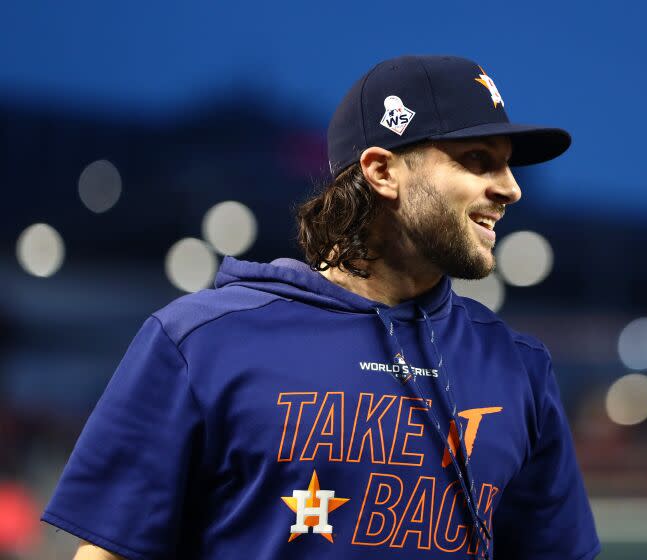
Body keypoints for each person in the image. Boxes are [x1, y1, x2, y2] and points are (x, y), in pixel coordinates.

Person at [43, 55, 601, 560]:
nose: (510, 188)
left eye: (507, 165)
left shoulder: (519, 368)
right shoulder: (201, 342)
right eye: (477, 160)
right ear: (382, 171)